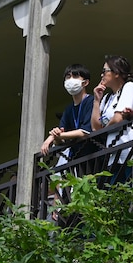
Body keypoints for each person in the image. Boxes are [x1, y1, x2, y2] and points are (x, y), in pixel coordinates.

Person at [40, 63, 96, 192]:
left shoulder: (91, 102)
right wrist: (55, 137)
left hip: (91, 157)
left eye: (75, 76)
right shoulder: (69, 109)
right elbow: (61, 138)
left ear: (85, 82)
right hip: (75, 161)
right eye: (68, 77)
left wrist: (53, 137)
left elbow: (85, 131)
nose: (71, 80)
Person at [91, 55, 133, 184]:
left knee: (130, 192)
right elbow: (95, 128)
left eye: (105, 71)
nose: (101, 75)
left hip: (130, 151)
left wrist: (105, 128)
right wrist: (97, 101)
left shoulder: (129, 87)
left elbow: (118, 118)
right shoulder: (107, 98)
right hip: (114, 155)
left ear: (116, 73)